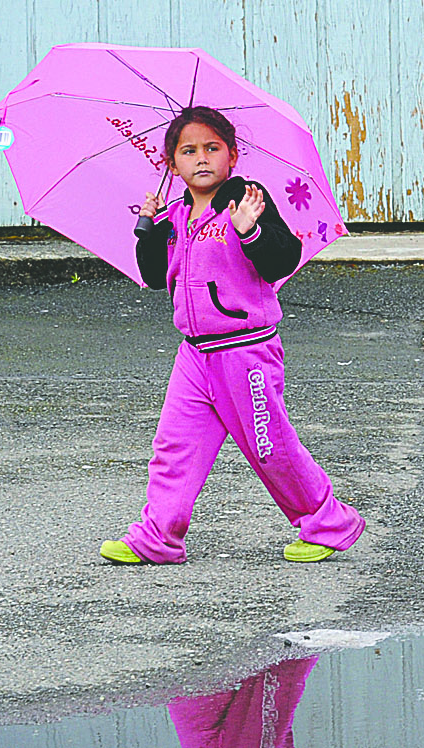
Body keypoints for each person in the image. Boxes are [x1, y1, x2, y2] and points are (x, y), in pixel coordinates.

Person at [105, 106, 366, 565]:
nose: (201, 158)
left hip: (245, 353)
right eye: (188, 151)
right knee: (174, 446)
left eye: (212, 148)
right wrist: (146, 229)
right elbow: (151, 276)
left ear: (232, 155)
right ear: (171, 163)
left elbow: (282, 260)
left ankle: (328, 523)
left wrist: (250, 231)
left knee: (271, 448)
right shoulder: (175, 214)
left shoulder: (246, 200)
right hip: (195, 355)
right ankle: (158, 537)